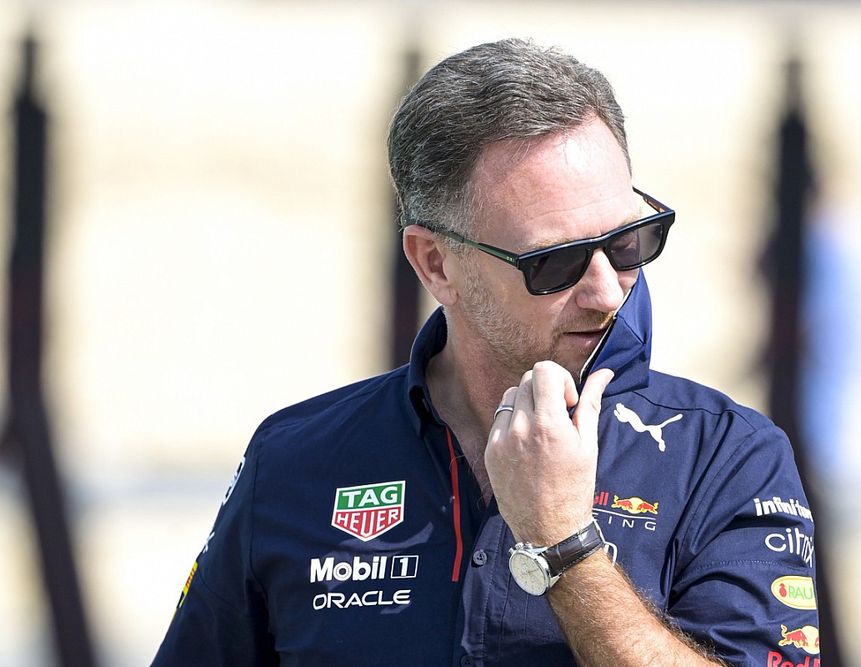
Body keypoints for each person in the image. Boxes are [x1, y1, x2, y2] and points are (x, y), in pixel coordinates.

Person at [153, 38, 820, 667]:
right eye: (554, 261)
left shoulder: (727, 457)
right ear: (435, 262)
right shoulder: (294, 459)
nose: (605, 290)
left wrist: (565, 547)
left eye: (627, 243)